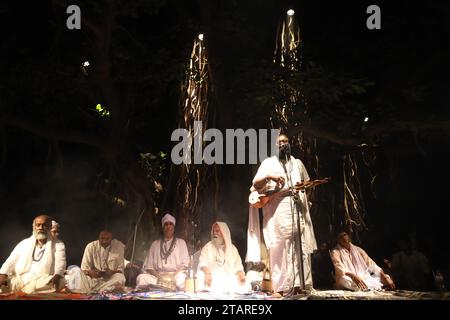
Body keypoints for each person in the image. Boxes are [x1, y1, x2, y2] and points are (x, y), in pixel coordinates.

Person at [246, 133, 317, 296]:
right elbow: (255, 184)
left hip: (296, 206)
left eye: (285, 141)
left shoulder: (297, 163)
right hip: (277, 209)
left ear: (289, 144)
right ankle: (281, 288)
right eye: (279, 142)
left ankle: (300, 285)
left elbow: (307, 184)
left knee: (298, 246)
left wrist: (306, 198)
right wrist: (269, 176)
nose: (282, 144)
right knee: (279, 246)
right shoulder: (268, 163)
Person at [0, 214, 66, 294]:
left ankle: (23, 289)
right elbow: (11, 261)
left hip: (42, 278)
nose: (40, 228)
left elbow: (61, 262)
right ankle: (24, 289)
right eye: (38, 225)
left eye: (44, 225)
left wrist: (57, 275)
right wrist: (3, 274)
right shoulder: (24, 243)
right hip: (22, 278)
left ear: (49, 227)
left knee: (60, 281)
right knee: (6, 280)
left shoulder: (58, 244)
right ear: (34, 227)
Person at [136, 213, 189, 291]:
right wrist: (160, 277)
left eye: (171, 224)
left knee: (183, 279)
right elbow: (149, 267)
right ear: (163, 227)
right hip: (158, 277)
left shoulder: (181, 242)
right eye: (166, 224)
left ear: (174, 227)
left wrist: (172, 276)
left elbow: (185, 264)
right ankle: (167, 287)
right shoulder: (155, 244)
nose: (168, 226)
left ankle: (162, 287)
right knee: (141, 278)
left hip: (175, 276)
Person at [330, 231, 395, 291]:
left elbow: (371, 264)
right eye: (342, 237)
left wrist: (386, 278)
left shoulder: (358, 249)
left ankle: (366, 286)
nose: (345, 238)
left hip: (364, 275)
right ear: (339, 240)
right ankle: (370, 286)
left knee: (380, 272)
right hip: (349, 277)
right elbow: (339, 268)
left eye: (346, 236)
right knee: (344, 279)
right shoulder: (335, 252)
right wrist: (354, 276)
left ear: (349, 238)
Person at [197, 222, 250, 294]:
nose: (215, 233)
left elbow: (238, 266)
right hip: (212, 277)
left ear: (224, 233)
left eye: (217, 231)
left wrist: (240, 274)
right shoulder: (208, 246)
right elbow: (202, 262)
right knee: (200, 276)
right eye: (214, 231)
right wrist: (207, 273)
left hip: (227, 278)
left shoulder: (232, 249)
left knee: (245, 282)